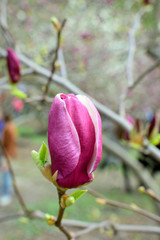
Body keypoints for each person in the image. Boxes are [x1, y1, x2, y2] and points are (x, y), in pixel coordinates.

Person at [0, 113, 17, 206]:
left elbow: (11, 144)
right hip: (2, 153)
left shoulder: (9, 127)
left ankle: (6, 194)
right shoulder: (2, 124)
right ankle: (9, 189)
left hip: (6, 155)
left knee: (5, 174)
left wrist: (7, 160)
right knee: (7, 174)